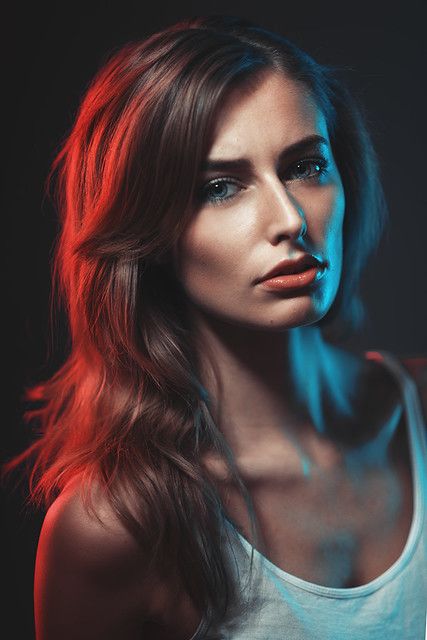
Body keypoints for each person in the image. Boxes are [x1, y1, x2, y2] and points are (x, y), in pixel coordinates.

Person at [3, 14, 427, 640]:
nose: (288, 219)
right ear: (149, 235)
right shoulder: (116, 529)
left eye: (306, 167)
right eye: (221, 187)